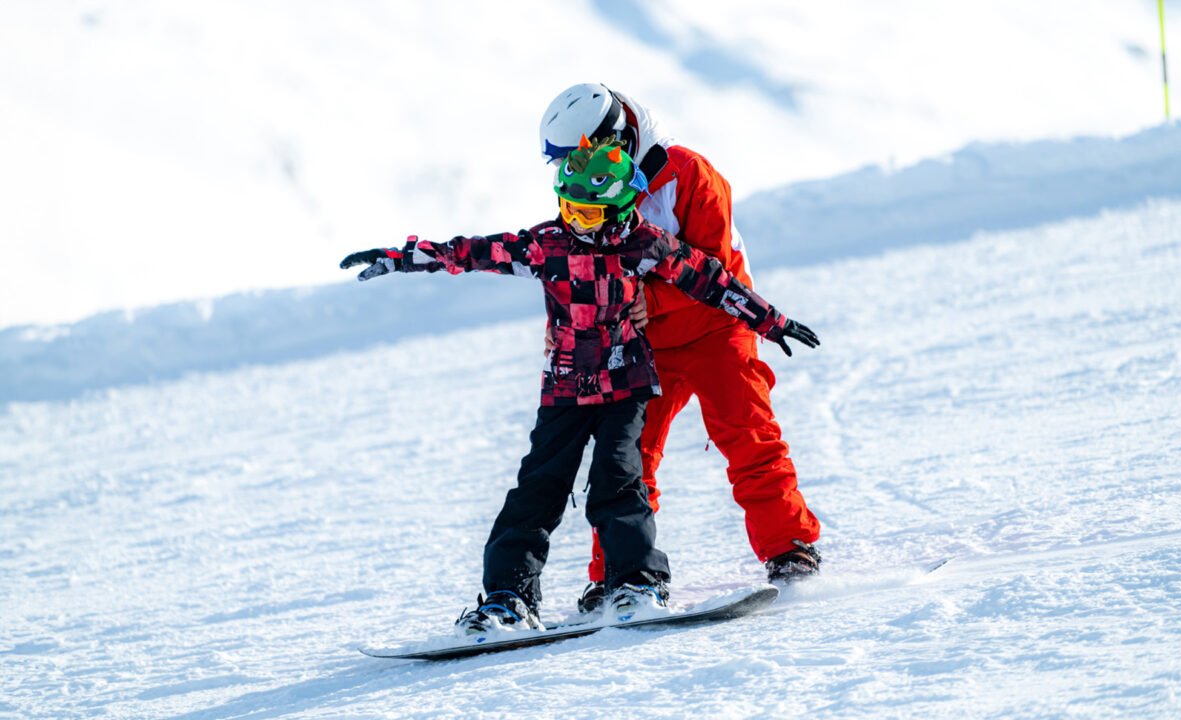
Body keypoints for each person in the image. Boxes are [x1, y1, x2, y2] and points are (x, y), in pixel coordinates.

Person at [340, 137, 819, 636]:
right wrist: (402, 258)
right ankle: (509, 597)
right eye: (568, 208)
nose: (576, 223)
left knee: (620, 482)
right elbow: (474, 252)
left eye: (588, 214)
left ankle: (635, 584)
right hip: (566, 391)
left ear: (619, 208)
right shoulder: (549, 244)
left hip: (625, 387)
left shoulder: (645, 244)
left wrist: (772, 322)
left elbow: (711, 280)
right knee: (536, 490)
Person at [540, 84, 824, 612]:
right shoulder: (588, 189)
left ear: (616, 136)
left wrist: (649, 297)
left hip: (717, 329)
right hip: (646, 346)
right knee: (625, 460)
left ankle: (790, 548)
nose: (582, 166)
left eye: (587, 152)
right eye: (570, 160)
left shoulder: (689, 174)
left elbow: (712, 266)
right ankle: (620, 575)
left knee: (748, 435)